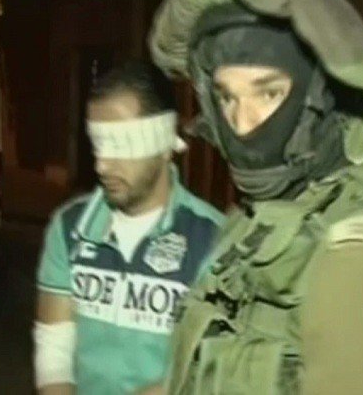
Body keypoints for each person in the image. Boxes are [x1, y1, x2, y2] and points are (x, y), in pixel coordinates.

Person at [148, 0, 363, 393]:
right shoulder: (256, 223)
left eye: (268, 94)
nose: (242, 124)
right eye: (227, 97)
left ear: (320, 99)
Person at [33, 60, 224, 395]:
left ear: (164, 144)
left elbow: (212, 367)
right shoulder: (70, 228)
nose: (102, 165)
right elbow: (55, 351)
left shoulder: (214, 239)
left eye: (121, 145)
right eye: (98, 144)